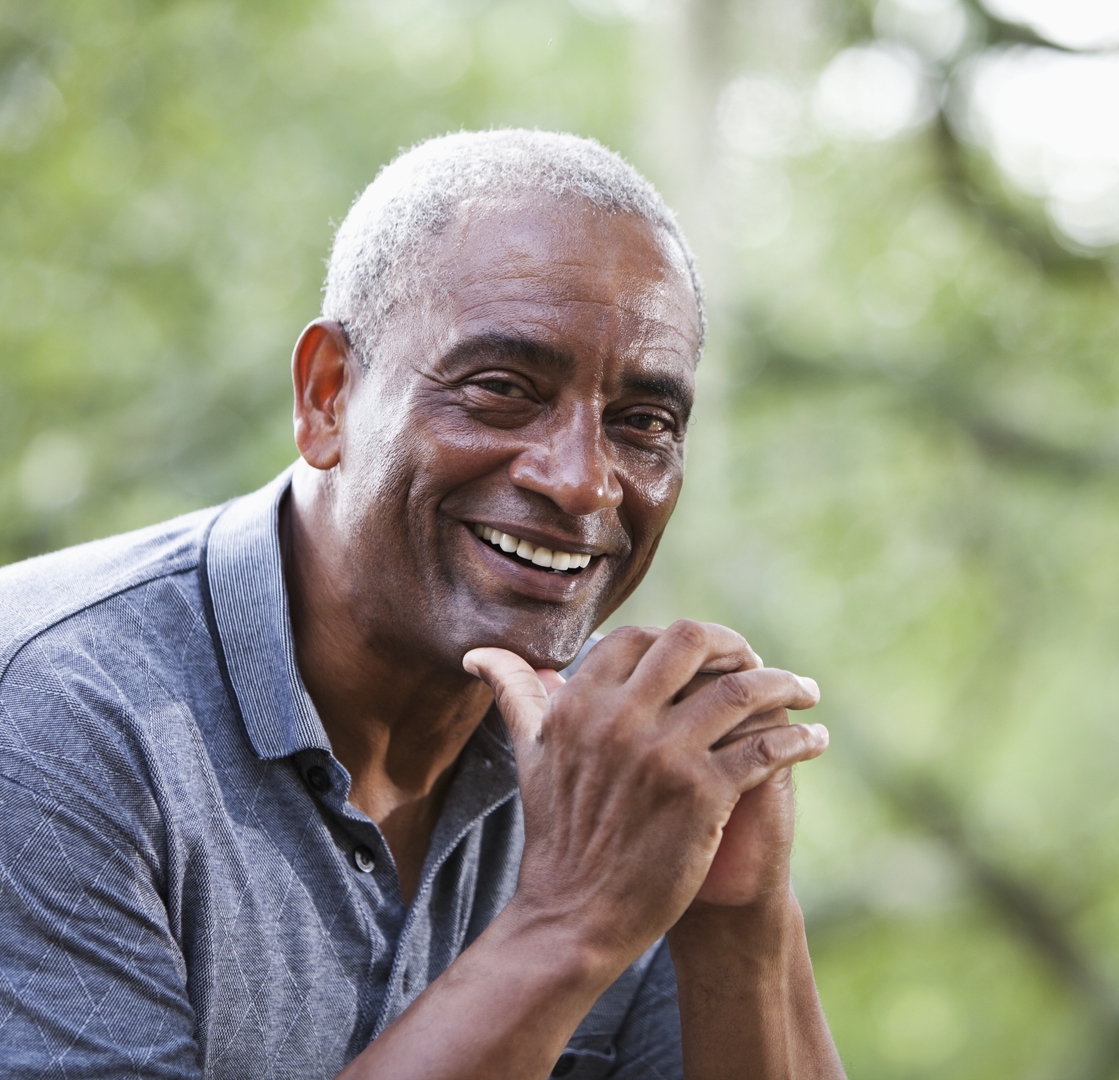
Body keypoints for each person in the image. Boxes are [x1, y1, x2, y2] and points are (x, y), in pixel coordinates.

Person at [0, 130, 846, 1079]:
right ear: (327, 397)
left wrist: (739, 920)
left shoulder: (621, 763)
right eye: (501, 391)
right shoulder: (50, 706)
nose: (583, 482)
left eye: (643, 423)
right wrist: (571, 921)